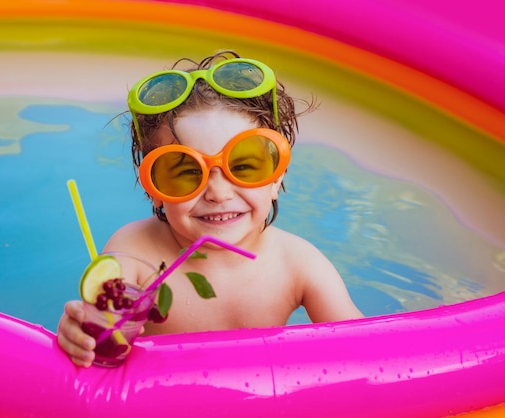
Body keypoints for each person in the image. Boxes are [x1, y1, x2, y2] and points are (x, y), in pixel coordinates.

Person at [57, 50, 363, 367]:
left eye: (243, 166)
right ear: (154, 189)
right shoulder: (135, 254)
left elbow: (366, 350)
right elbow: (96, 342)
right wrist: (79, 336)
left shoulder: (298, 264)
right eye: (187, 171)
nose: (217, 193)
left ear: (276, 177)